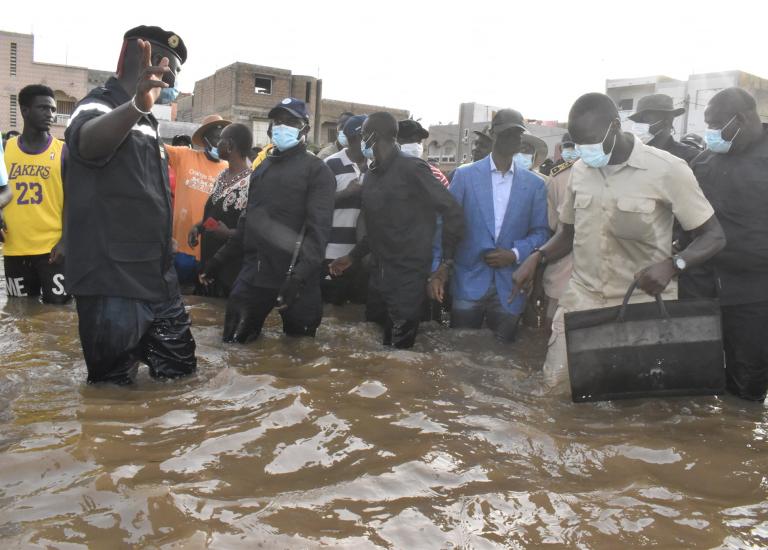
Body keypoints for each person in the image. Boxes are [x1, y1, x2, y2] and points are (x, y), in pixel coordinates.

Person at [512, 93, 726, 389]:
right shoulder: (580, 171)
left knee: (633, 401)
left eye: (591, 140)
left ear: (615, 126)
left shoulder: (667, 169)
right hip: (582, 299)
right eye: (579, 142)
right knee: (556, 391)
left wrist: (674, 264)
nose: (586, 150)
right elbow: (568, 233)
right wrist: (538, 256)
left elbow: (713, 236)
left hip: (641, 303)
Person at [64, 25, 196, 384]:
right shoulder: (96, 105)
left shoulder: (150, 122)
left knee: (181, 376)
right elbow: (87, 145)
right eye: (170, 69)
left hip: (157, 275)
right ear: (144, 59)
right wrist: (135, 105)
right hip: (112, 280)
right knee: (110, 394)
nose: (173, 79)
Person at [200, 98, 335, 343]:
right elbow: (246, 223)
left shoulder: (317, 171)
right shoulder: (262, 170)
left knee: (299, 356)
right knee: (233, 345)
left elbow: (319, 233)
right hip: (255, 275)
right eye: (278, 121)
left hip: (296, 280)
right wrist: (217, 260)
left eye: (291, 121)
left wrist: (298, 278)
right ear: (271, 129)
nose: (282, 126)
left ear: (304, 128)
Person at [330, 112, 464, 348]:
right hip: (378, 277)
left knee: (399, 351)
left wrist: (445, 264)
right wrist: (353, 256)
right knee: (372, 344)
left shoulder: (413, 169)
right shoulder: (372, 176)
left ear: (373, 136)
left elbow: (452, 210)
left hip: (407, 278)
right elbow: (378, 227)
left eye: (363, 136)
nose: (361, 141)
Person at [429, 109, 549, 342]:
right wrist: (438, 269)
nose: (511, 138)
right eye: (505, 133)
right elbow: (444, 225)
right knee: (461, 352)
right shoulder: (465, 176)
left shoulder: (534, 185)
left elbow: (541, 232)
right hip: (469, 280)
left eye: (516, 134)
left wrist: (514, 254)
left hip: (511, 285)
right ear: (493, 134)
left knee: (503, 355)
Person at [681, 88, 768, 402]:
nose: (711, 132)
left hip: (753, 294)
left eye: (716, 124)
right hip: (700, 286)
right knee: (693, 377)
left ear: (741, 119)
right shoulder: (704, 159)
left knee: (747, 383)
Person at [1, 85, 69, 303]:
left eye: (52, 109)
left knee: (57, 315)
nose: (50, 114)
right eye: (43, 108)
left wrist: (66, 241)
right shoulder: (5, 150)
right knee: (19, 314)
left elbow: (74, 201)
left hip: (52, 250)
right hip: (14, 249)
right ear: (25, 110)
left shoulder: (63, 152)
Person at [188, 123, 252, 297]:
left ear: (230, 146)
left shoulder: (251, 183)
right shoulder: (222, 176)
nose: (217, 145)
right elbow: (215, 212)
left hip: (231, 270)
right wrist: (198, 227)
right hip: (209, 262)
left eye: (221, 140)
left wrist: (229, 233)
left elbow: (253, 230)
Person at [166, 114, 229, 288]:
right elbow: (153, 147)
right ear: (205, 139)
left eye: (224, 138)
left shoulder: (229, 169)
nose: (221, 143)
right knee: (180, 293)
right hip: (182, 246)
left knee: (205, 299)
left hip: (211, 250)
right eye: (217, 138)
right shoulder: (184, 156)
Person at [322, 114, 368, 305]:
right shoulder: (330, 164)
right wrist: (346, 193)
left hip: (363, 255)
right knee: (332, 310)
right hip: (333, 253)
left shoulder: (376, 165)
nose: (367, 142)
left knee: (356, 315)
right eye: (362, 137)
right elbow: (318, 205)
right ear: (350, 139)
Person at [539, 133, 578, 327]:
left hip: (598, 272)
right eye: (567, 146)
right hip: (563, 265)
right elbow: (551, 226)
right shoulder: (557, 178)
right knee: (554, 326)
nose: (570, 151)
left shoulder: (558, 177)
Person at [628, 94, 700, 163]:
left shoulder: (690, 156)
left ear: (667, 121)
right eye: (638, 121)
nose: (640, 125)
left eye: (646, 120)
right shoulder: (632, 154)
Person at [397, 119, 450, 187]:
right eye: (410, 140)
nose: (416, 145)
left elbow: (446, 197)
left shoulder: (435, 174)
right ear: (396, 140)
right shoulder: (384, 171)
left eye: (419, 141)